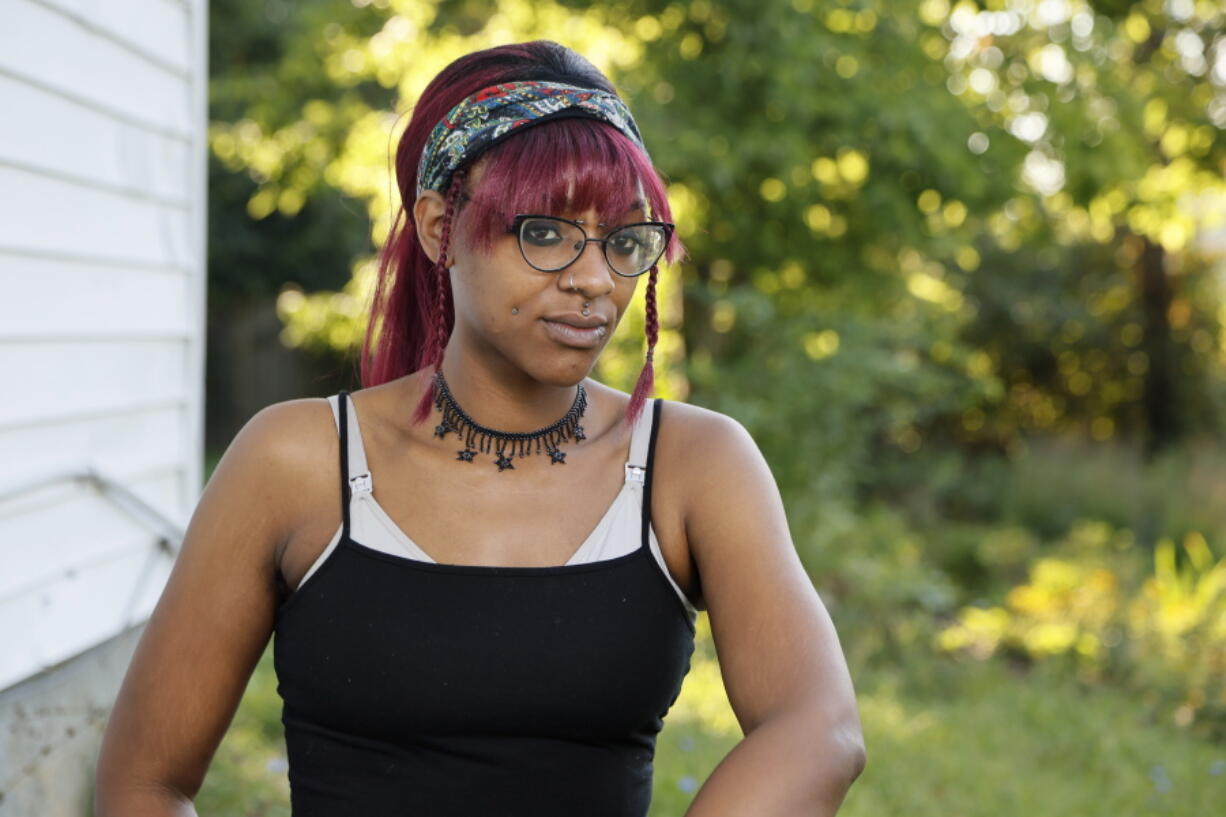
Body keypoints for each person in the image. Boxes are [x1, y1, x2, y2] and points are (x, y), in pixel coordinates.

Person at [94, 40, 866, 817]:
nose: (595, 279)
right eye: (546, 232)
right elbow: (142, 783)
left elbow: (818, 725)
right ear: (439, 227)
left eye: (625, 240)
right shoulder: (295, 461)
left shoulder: (693, 465)